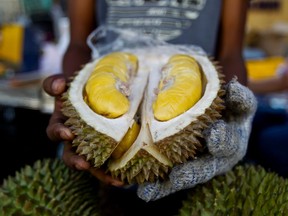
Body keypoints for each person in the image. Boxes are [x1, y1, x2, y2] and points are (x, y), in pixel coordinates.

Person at [43, 0, 255, 214]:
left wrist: (233, 116)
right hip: (101, 165)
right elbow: (78, 44)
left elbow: (231, 53)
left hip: (195, 147)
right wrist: (71, 101)